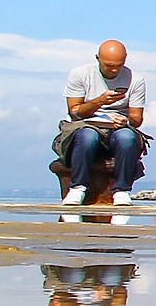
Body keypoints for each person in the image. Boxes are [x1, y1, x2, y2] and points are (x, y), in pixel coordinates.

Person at [60, 40, 146, 206]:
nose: (114, 70)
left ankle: (122, 191)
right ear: (97, 58)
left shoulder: (136, 80)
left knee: (127, 138)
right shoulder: (80, 74)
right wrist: (99, 102)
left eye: (119, 65)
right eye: (108, 65)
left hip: (118, 126)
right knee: (87, 137)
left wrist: (126, 120)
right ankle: (77, 188)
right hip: (87, 123)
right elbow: (75, 112)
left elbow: (137, 119)